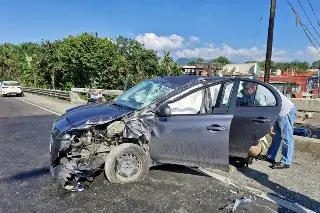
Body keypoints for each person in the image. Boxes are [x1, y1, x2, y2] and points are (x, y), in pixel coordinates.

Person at [241, 81, 297, 169]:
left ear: (251, 90)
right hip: (277, 111)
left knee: (287, 137)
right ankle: (270, 156)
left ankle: (286, 162)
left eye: (244, 90)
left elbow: (266, 114)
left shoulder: (259, 97)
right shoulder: (261, 87)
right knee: (276, 136)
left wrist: (269, 126)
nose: (243, 93)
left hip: (286, 111)